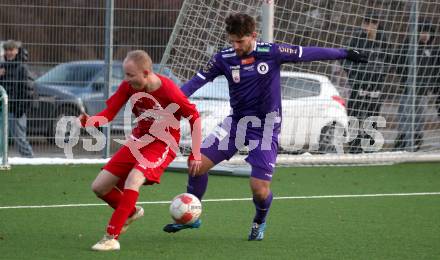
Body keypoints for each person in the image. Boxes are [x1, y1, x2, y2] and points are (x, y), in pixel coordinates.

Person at [162, 13, 367, 241]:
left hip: (266, 129)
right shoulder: (224, 58)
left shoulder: (271, 53)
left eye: (240, 41)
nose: (235, 46)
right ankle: (192, 214)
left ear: (253, 36)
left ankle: (259, 221)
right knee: (195, 163)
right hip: (236, 124)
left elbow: (307, 53)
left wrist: (345, 53)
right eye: (232, 41)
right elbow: (195, 82)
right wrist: (169, 103)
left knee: (259, 189)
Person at [79, 50, 202, 251]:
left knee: (134, 179)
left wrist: (195, 153)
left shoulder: (170, 92)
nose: (126, 80)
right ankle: (130, 212)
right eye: (125, 75)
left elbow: (195, 118)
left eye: (130, 75)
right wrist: (91, 121)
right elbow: (109, 114)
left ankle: (111, 237)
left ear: (146, 73)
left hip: (163, 143)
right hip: (139, 139)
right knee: (99, 187)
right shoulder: (129, 86)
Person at [342, 13, 391, 153]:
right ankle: (354, 146)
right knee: (355, 113)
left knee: (372, 115)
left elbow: (389, 60)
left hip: (375, 85)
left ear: (376, 25)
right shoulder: (356, 40)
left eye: (370, 23)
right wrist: (353, 75)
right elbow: (345, 57)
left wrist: (381, 76)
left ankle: (370, 145)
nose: (366, 26)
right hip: (359, 84)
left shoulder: (383, 41)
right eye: (365, 23)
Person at [393, 21, 440, 151]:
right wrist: (404, 80)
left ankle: (416, 143)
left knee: (419, 120)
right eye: (422, 32)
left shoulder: (432, 51)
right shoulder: (408, 46)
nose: (425, 35)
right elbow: (397, 62)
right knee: (405, 118)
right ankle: (402, 144)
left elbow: (434, 71)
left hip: (423, 93)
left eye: (428, 32)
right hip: (408, 91)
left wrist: (433, 88)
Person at [0, 40, 35, 157]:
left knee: (19, 138)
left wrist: (20, 109)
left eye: (11, 50)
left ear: (16, 51)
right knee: (1, 137)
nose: (9, 52)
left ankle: (30, 158)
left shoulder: (22, 68)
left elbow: (28, 90)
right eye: (7, 50)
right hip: (3, 109)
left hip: (16, 110)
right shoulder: (2, 67)